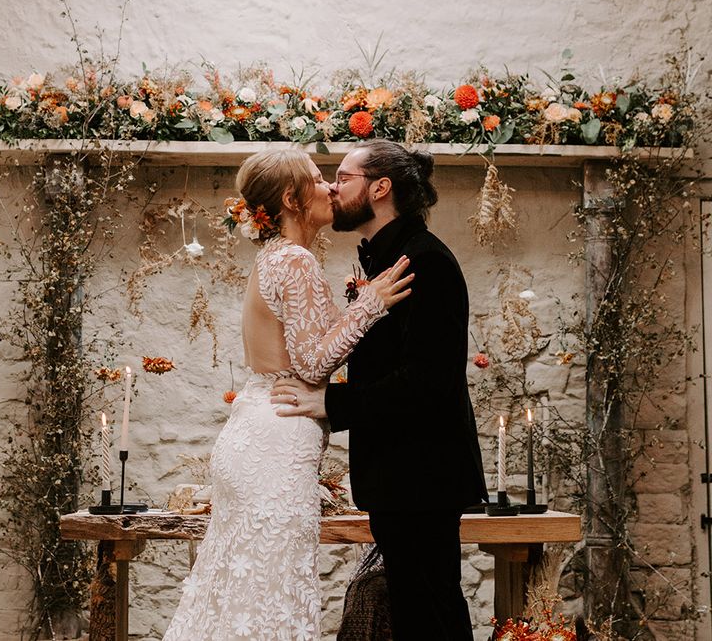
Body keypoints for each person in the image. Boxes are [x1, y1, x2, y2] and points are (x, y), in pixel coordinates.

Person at [162, 148, 413, 641]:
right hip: (277, 441)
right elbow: (312, 363)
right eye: (319, 180)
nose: (329, 189)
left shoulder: (272, 257)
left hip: (254, 429)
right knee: (270, 591)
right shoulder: (295, 260)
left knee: (239, 590)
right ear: (290, 199)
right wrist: (368, 306)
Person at [272, 140, 488, 640]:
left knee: (431, 613)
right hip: (402, 476)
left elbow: (428, 383)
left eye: (343, 177)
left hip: (422, 475)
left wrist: (330, 403)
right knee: (416, 611)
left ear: (380, 188)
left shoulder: (424, 262)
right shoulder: (385, 259)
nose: (330, 185)